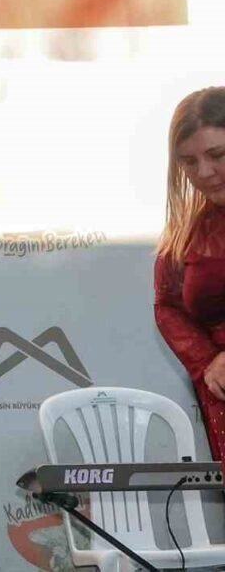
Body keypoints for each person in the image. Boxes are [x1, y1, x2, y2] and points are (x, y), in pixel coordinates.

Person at [154, 87, 225, 458]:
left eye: (217, 155)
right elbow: (167, 304)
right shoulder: (188, 229)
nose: (204, 173)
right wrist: (207, 362)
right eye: (188, 162)